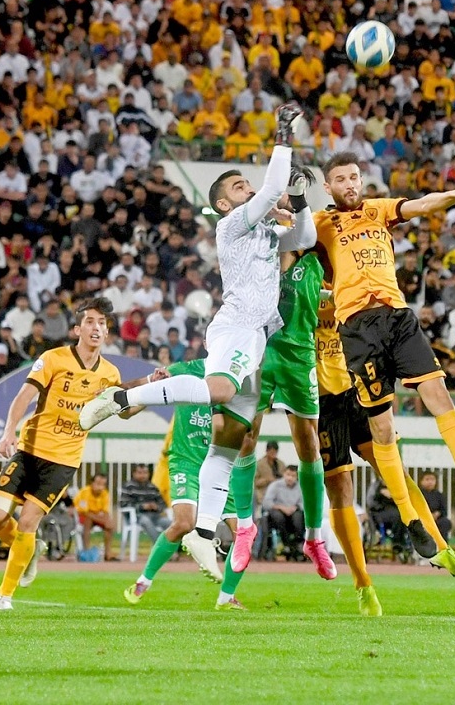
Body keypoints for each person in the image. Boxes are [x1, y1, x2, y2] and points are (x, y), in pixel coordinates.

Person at [79, 104, 315, 582]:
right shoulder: (233, 225)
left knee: (229, 440)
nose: (248, 190)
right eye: (239, 187)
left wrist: (299, 197)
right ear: (225, 205)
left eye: (247, 185)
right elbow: (270, 187)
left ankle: (204, 531)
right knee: (220, 391)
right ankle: (121, 398)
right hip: (236, 326)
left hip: (257, 338)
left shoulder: (267, 230)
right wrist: (283, 137)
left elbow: (305, 235)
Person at [313, 151, 455, 559]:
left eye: (354, 177)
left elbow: (424, 203)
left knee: (439, 395)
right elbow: (289, 240)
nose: (349, 184)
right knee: (382, 429)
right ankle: (411, 519)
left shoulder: (378, 210)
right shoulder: (320, 223)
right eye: (340, 179)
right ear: (327, 187)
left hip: (397, 316)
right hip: (357, 327)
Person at [315, 286, 455, 616]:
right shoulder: (298, 279)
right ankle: (363, 584)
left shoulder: (348, 277)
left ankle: (440, 547)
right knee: (340, 488)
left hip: (357, 387)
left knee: (394, 470)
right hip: (322, 400)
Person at [0, 298, 128, 610]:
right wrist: (9, 432)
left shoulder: (110, 374)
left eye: (102, 323)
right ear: (77, 329)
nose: (96, 327)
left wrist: (148, 390)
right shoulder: (53, 359)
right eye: (90, 321)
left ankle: (4, 596)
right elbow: (24, 396)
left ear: (107, 333)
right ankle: (30, 549)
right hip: (29, 450)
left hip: (63, 461)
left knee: (28, 521)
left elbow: (125, 410)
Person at [226, 247, 334, 579]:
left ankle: (313, 539)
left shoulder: (316, 256)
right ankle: (245, 527)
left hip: (299, 354)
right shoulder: (259, 248)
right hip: (259, 350)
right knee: (244, 437)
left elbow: (337, 287)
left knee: (309, 444)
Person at [123, 359, 244, 610]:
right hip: (186, 461)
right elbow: (141, 394)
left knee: (243, 535)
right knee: (184, 523)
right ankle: (143, 581)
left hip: (220, 465)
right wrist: (126, 401)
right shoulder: (185, 370)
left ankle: (226, 597)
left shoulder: (239, 376)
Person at [119, 464, 170, 543]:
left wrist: (156, 507)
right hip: (136, 517)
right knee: (146, 521)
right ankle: (159, 546)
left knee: (169, 523)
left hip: (155, 516)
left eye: (145, 473)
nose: (143, 475)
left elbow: (163, 504)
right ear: (134, 474)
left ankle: (175, 547)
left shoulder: (152, 487)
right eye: (140, 473)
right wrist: (142, 506)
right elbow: (123, 504)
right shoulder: (128, 487)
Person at [263, 465, 305, 555]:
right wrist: (281, 507)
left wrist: (295, 507)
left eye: (293, 476)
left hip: (294, 512)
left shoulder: (301, 487)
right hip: (278, 512)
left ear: (297, 477)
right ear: (284, 474)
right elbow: (266, 503)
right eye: (288, 474)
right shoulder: (275, 485)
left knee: (298, 517)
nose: (290, 478)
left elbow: (304, 503)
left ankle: (298, 543)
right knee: (278, 516)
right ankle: (286, 543)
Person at [73, 473, 116, 560]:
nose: (100, 487)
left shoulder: (105, 494)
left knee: (109, 527)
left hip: (98, 517)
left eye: (103, 484)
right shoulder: (84, 492)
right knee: (88, 520)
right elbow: (85, 512)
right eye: (98, 484)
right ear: (92, 483)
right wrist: (103, 520)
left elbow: (105, 511)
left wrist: (107, 521)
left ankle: (108, 554)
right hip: (85, 516)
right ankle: (86, 551)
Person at [418, 471, 451, 542]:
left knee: (445, 522)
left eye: (432, 479)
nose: (430, 482)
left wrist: (437, 514)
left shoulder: (439, 495)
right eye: (427, 479)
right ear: (421, 481)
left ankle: (443, 545)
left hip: (436, 519)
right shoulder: (417, 494)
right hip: (421, 520)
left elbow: (443, 510)